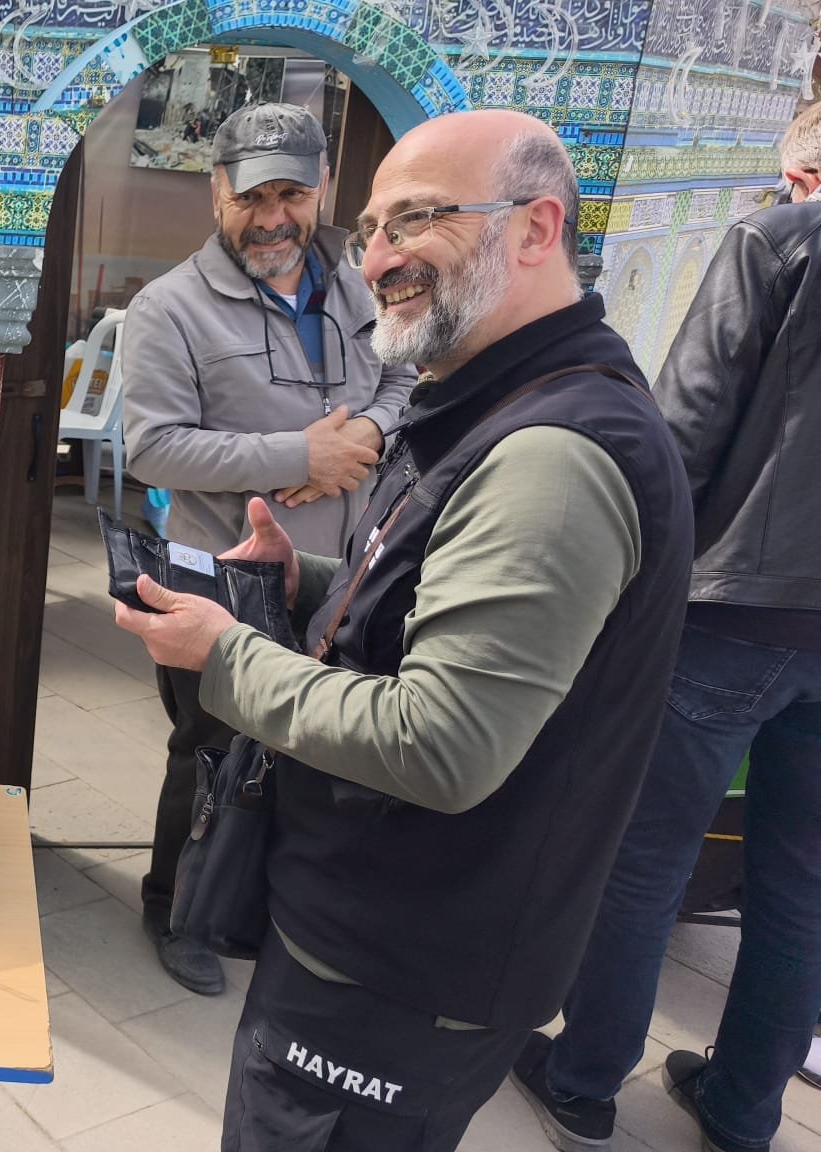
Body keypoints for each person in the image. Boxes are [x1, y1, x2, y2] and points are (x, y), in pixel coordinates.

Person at [113, 109, 692, 1150]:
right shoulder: (502, 396)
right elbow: (437, 595)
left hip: (409, 956)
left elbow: (438, 742)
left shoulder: (551, 453)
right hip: (374, 926)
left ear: (534, 228)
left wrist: (226, 653)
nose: (377, 255)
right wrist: (309, 581)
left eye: (417, 219)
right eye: (374, 226)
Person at [514, 100, 821, 1152]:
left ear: (798, 173)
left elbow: (680, 431)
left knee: (643, 858)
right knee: (799, 885)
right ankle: (741, 1111)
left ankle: (584, 1081)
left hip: (737, 610)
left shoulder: (773, 243)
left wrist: (621, 587)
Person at [120, 101, 414, 997]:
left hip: (345, 570)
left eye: (291, 192)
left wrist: (365, 429)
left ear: (322, 190)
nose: (273, 216)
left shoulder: (364, 285)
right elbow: (152, 446)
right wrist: (300, 456)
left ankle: (282, 911)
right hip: (221, 577)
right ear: (218, 192)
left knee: (321, 751)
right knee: (210, 751)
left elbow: (407, 372)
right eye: (253, 196)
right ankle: (178, 909)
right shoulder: (169, 308)